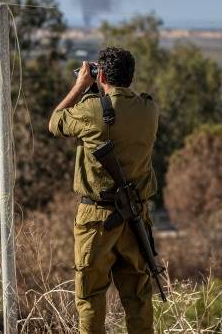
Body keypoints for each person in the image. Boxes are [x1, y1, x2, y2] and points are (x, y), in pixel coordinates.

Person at [48, 46, 159, 334]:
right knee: (138, 296)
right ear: (131, 77)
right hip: (135, 216)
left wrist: (81, 86)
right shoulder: (149, 110)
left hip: (96, 218)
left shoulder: (92, 110)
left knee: (91, 296)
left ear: (102, 76)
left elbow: (55, 122)